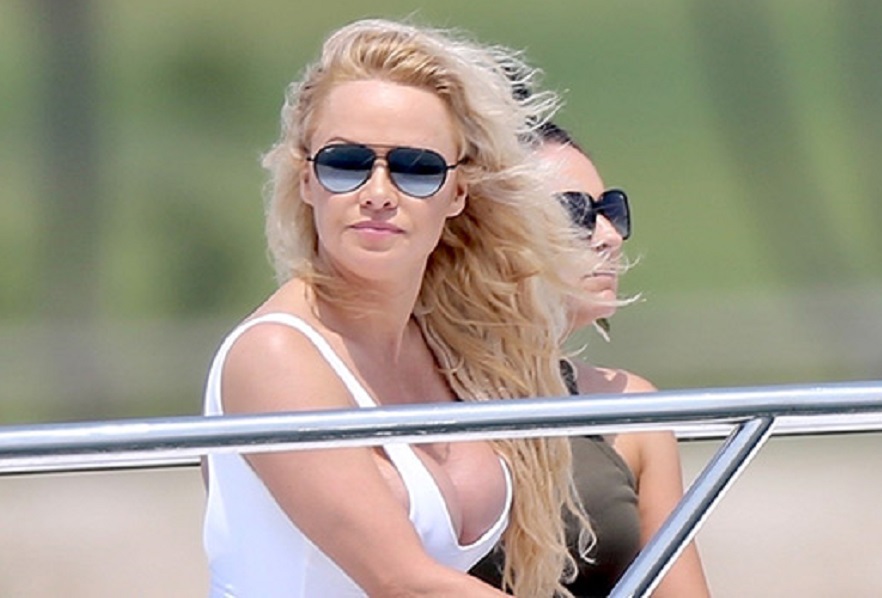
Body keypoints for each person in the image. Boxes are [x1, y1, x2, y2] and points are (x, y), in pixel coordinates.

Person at [201, 19, 600, 597]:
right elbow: (404, 583)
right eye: (346, 163)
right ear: (306, 179)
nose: (378, 193)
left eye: (417, 168)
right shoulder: (276, 354)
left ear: (458, 192)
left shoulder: (456, 346)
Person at [471, 123, 712, 597]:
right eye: (575, 212)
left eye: (610, 210)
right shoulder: (404, 396)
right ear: (489, 230)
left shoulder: (630, 408)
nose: (609, 236)